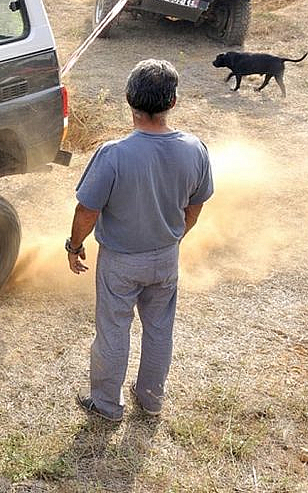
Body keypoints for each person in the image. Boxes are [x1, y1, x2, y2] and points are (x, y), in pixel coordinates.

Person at [68, 60, 214, 422]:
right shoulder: (195, 149)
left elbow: (87, 210)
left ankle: (105, 405)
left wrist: (74, 246)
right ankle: (150, 400)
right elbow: (195, 205)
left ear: (129, 100)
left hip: (120, 261)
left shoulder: (113, 154)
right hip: (166, 258)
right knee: (160, 328)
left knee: (114, 330)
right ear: (174, 101)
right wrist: (175, 235)